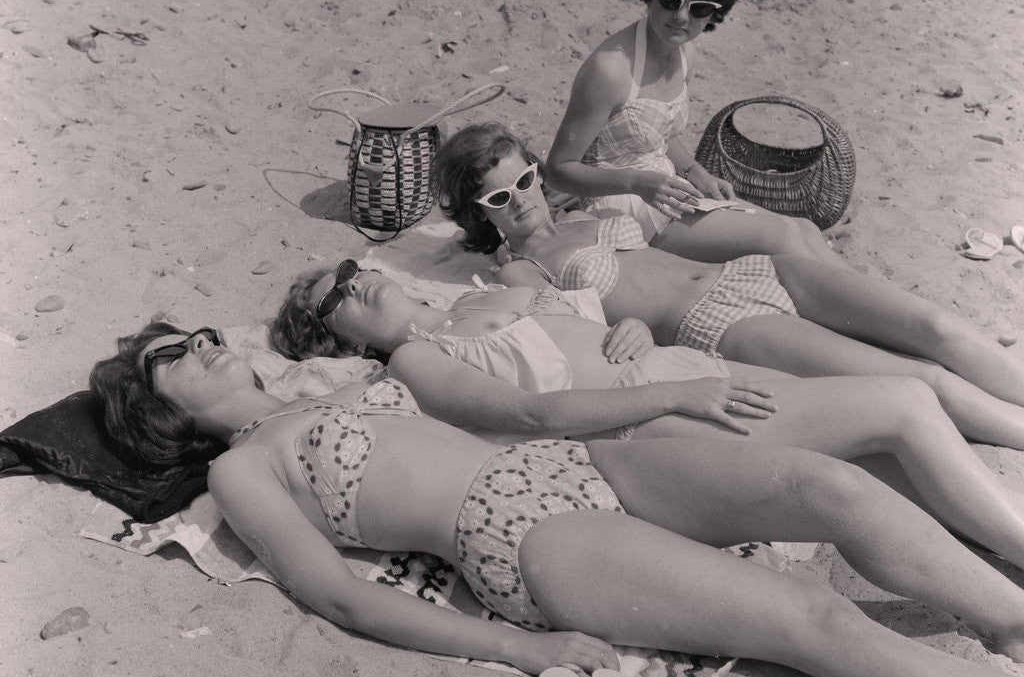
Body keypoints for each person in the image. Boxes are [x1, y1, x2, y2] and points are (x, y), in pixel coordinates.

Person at [88, 320, 1024, 677]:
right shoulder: (242, 469)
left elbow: (519, 406)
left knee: (828, 487)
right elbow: (338, 597)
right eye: (175, 355)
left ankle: (1011, 619)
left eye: (200, 333)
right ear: (159, 410)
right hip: (519, 538)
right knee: (813, 620)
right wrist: (517, 648)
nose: (203, 344)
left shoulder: (343, 380)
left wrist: (658, 387)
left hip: (579, 461)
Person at [271, 262, 1024, 571]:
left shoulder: (483, 291)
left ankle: (1000, 561)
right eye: (333, 299)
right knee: (904, 404)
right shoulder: (417, 359)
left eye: (347, 271)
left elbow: (591, 325)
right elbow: (533, 413)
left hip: (683, 372)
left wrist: (631, 328)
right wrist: (672, 396)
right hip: (651, 418)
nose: (352, 285)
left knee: (887, 459)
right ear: (342, 341)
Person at [435, 122, 1024, 450]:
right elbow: (577, 339)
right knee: (919, 379)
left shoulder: (583, 216)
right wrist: (631, 326)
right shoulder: (518, 272)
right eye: (498, 197)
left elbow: (665, 211)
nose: (521, 200)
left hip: (762, 272)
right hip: (719, 323)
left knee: (934, 328)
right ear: (477, 212)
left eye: (525, 180)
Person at [545, 0, 837, 264]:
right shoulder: (610, 69)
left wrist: (696, 171)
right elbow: (559, 170)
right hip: (621, 204)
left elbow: (659, 135)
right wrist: (637, 182)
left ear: (716, 12)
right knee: (783, 238)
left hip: (665, 190)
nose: (682, 17)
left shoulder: (686, 54)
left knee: (804, 229)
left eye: (699, 8)